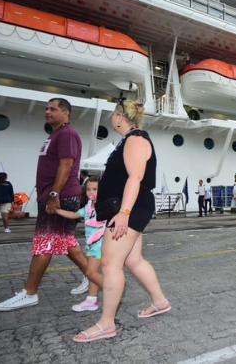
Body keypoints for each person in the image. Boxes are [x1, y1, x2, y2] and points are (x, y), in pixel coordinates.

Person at [72, 97, 170, 343]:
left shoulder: (136, 139)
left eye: (113, 113)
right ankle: (159, 302)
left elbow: (135, 177)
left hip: (130, 208)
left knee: (110, 263)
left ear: (119, 115)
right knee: (133, 259)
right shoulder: (129, 139)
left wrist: (124, 213)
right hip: (131, 207)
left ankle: (106, 324)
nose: (111, 117)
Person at [0, 98, 89, 311]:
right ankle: (94, 278)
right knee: (65, 241)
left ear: (66, 113)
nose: (47, 112)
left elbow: (66, 164)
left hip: (60, 196)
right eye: (46, 109)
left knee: (44, 243)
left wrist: (54, 194)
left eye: (53, 109)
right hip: (54, 195)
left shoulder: (67, 134)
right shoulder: (54, 134)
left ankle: (29, 292)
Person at [51, 178, 106, 312]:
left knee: (90, 272)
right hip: (91, 245)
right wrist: (58, 211)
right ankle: (91, 300)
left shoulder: (104, 206)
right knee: (93, 273)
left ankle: (113, 290)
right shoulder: (88, 206)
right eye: (88, 189)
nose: (90, 192)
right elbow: (75, 214)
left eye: (94, 189)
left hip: (100, 244)